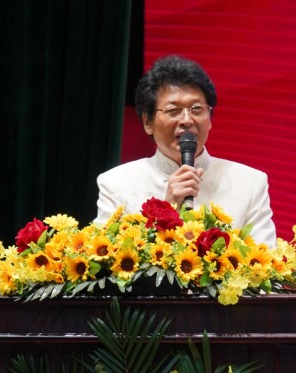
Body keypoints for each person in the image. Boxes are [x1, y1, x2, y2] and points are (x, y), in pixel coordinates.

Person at [95, 55, 277, 247]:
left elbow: (266, 260)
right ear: (148, 122)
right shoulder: (116, 184)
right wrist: (168, 209)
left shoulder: (250, 183)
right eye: (173, 110)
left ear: (209, 118)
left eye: (196, 109)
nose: (187, 120)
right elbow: (106, 261)